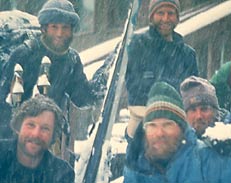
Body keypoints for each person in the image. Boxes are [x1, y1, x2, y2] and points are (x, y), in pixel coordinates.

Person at [0, 0, 104, 140]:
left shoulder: (71, 60)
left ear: (72, 30)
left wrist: (104, 78)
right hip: (18, 139)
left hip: (51, 138)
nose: (60, 33)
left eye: (65, 27)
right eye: (54, 27)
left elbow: (82, 97)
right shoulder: (25, 54)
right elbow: (4, 99)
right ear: (44, 29)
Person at [124, 81, 231, 183]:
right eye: (152, 125)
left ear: (182, 128)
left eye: (168, 125)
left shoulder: (215, 165)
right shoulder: (136, 168)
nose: (159, 133)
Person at [125, 0, 199, 138]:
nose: (165, 18)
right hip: (142, 127)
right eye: (160, 13)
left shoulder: (187, 55)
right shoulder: (136, 46)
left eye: (170, 13)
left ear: (177, 17)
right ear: (151, 16)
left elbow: (193, 96)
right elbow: (126, 84)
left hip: (177, 130)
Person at [0, 95, 74, 183]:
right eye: (31, 125)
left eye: (45, 128)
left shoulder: (62, 173)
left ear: (53, 136)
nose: (36, 134)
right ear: (18, 126)